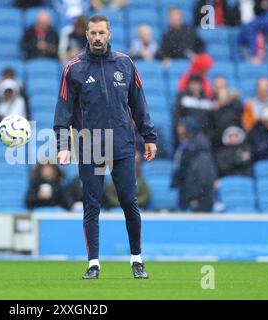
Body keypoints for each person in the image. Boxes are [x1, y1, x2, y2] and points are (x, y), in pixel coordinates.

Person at [54, 15, 157, 280]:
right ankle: (93, 263)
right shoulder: (74, 68)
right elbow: (63, 112)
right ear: (86, 35)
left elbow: (139, 104)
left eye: (102, 32)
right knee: (92, 205)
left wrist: (150, 137)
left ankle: (137, 260)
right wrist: (63, 145)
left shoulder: (125, 63)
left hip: (122, 144)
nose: (97, 37)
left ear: (109, 33)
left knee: (128, 202)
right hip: (90, 146)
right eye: (93, 33)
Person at [172, 117, 217, 212]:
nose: (178, 128)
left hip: (198, 198)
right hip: (187, 192)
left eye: (181, 126)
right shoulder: (185, 145)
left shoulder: (199, 151)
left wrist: (194, 197)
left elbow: (201, 177)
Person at [173, 74, 213, 146]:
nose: (195, 86)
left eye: (197, 84)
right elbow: (176, 114)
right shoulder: (182, 97)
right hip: (186, 134)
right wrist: (178, 126)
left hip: (202, 133)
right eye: (193, 83)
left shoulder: (206, 100)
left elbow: (210, 119)